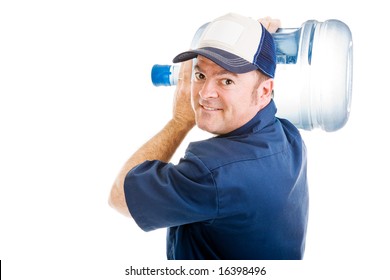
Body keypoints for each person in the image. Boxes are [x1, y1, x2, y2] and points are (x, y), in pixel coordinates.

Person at [109, 13, 309, 260]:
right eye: (200, 75)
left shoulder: (212, 172)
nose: (204, 93)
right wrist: (256, 40)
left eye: (226, 80)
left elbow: (120, 196)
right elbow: (253, 89)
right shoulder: (289, 137)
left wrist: (179, 121)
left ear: (265, 91)